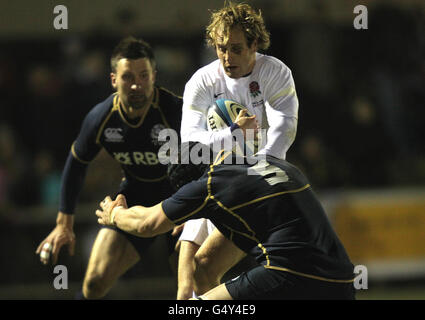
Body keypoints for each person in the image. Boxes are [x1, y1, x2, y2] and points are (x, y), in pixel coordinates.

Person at [95, 143, 356, 300]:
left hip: (291, 276)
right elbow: (205, 263)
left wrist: (114, 215)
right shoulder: (272, 165)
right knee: (206, 267)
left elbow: (148, 224)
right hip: (342, 281)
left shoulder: (210, 184)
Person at [35, 36, 183, 299]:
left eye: (144, 75)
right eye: (128, 77)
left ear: (154, 76)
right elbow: (76, 163)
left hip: (181, 201)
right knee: (93, 284)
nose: (137, 84)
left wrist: (198, 212)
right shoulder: (101, 118)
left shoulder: (176, 112)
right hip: (135, 198)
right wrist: (63, 224)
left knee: (192, 287)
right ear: (113, 79)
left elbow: (209, 162)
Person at [177, 2, 299, 299]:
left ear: (254, 44)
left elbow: (285, 130)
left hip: (262, 183)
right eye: (221, 48)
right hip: (216, 180)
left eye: (236, 48)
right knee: (190, 278)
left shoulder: (275, 73)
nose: (227, 57)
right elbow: (189, 141)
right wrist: (233, 133)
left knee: (205, 268)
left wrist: (259, 170)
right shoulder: (203, 80)